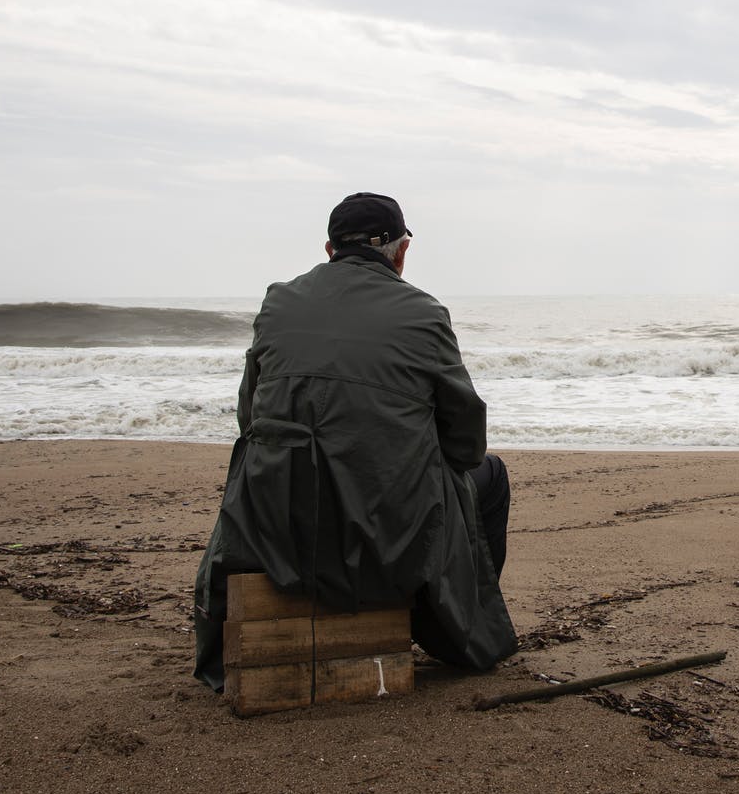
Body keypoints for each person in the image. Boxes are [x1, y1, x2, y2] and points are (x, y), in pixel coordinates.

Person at [192, 192, 516, 691]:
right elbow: (466, 439)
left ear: (329, 249)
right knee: (489, 477)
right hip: (385, 534)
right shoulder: (424, 312)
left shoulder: (278, 300)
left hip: (274, 526)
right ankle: (453, 628)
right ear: (401, 251)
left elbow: (249, 416)